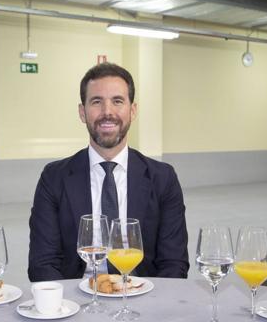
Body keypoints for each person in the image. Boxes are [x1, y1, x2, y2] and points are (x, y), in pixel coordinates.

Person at [28, 63, 189, 281]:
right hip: (77, 300)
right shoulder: (54, 178)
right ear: (82, 112)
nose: (107, 112)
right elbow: (42, 264)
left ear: (132, 111)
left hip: (143, 297)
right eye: (96, 102)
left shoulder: (163, 178)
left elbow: (174, 263)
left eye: (117, 101)